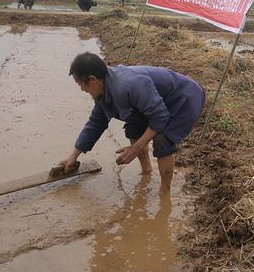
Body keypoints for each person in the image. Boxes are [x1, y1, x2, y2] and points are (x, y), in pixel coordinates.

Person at [60, 52, 205, 194]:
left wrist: (136, 147)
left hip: (184, 98)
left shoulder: (129, 84)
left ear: (92, 80)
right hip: (157, 102)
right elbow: (95, 123)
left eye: (80, 84)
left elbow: (160, 117)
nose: (82, 89)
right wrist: (73, 156)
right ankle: (147, 171)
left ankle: (164, 192)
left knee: (162, 140)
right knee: (133, 128)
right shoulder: (103, 89)